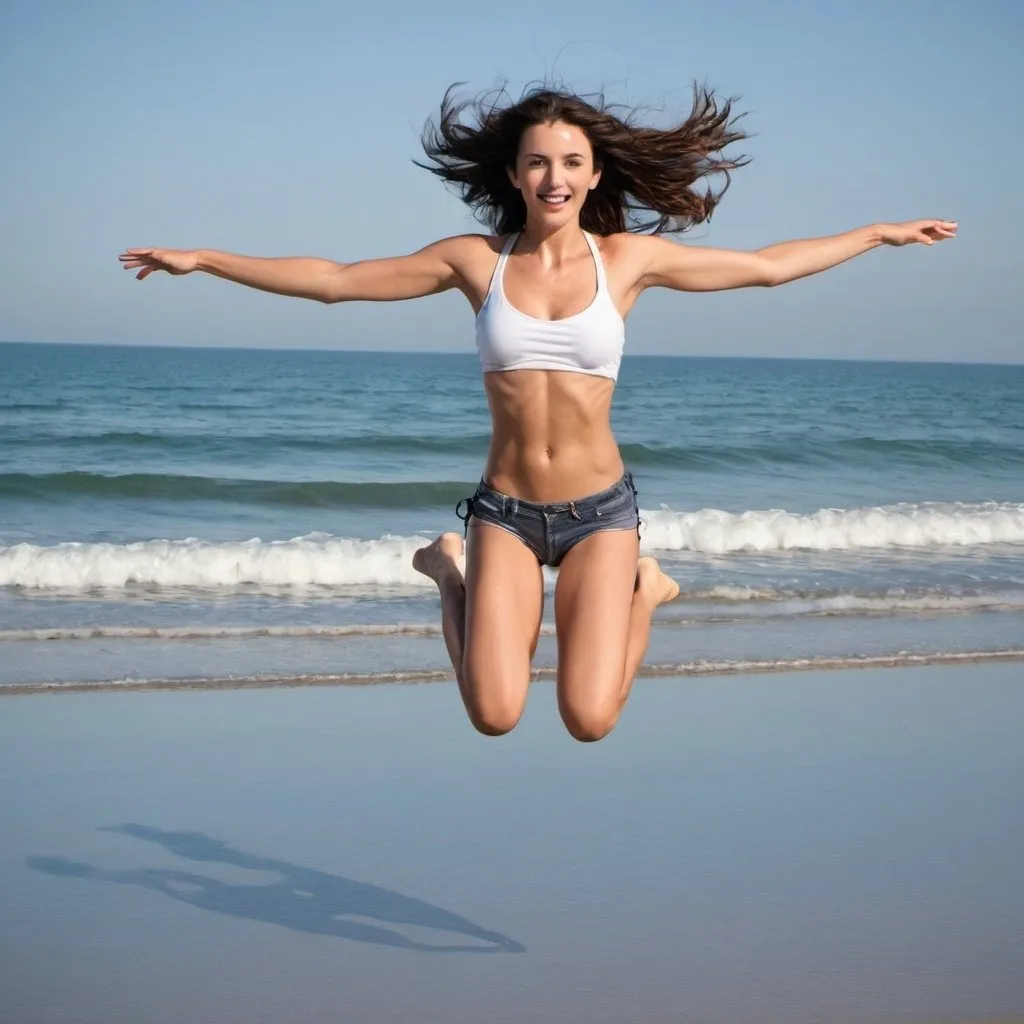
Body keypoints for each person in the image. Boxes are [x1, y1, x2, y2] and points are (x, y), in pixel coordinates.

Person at [119, 83, 956, 742]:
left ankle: (649, 590)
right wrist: (208, 261)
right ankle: (448, 569)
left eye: (570, 161)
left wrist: (875, 233)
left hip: (600, 516)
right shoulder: (474, 262)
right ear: (514, 175)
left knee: (590, 720)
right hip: (505, 515)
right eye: (536, 162)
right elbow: (336, 279)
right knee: (495, 714)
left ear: (593, 174)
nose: (553, 177)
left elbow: (769, 268)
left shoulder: (628, 260)